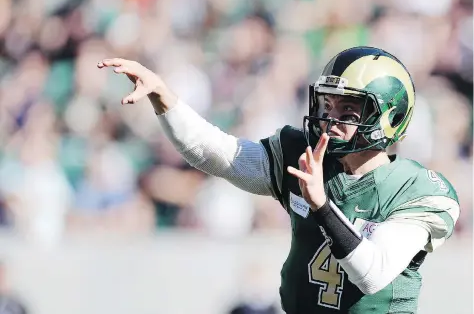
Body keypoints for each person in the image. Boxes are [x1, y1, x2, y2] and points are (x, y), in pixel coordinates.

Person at [97, 46, 460, 314]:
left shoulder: (420, 190)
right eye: (327, 105)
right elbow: (219, 155)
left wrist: (322, 206)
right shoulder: (301, 154)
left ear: (390, 116)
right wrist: (165, 98)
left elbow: (372, 274)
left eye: (348, 109)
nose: (331, 119)